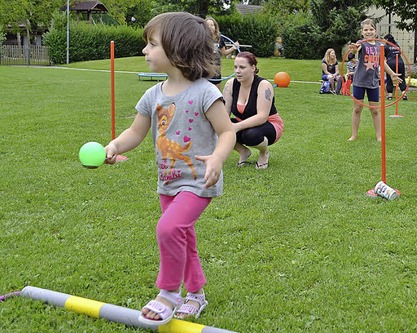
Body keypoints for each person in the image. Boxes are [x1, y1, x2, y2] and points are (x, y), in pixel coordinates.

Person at [103, 12, 236, 325]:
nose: (145, 51)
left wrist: (217, 158)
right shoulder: (153, 95)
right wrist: (114, 146)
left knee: (169, 228)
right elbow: (135, 132)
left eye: (152, 44)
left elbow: (227, 131)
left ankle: (168, 293)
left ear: (177, 50)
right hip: (169, 181)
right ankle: (196, 295)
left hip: (199, 179)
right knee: (183, 237)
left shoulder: (205, 92)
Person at [223, 51, 284, 169]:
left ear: (253, 68)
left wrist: (236, 127)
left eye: (242, 67)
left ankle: (264, 153)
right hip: (243, 124)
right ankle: (243, 151)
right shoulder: (230, 84)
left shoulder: (264, 85)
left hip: (269, 124)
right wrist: (222, 126)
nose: (237, 71)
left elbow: (262, 117)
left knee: (250, 135)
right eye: (235, 67)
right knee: (217, 126)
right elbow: (224, 114)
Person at [348, 18, 401, 141]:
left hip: (373, 82)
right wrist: (355, 49)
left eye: (371, 29)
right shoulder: (362, 43)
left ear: (375, 31)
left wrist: (392, 74)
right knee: (357, 108)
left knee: (375, 110)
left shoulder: (379, 45)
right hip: (359, 81)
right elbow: (357, 49)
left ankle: (379, 135)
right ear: (362, 32)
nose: (368, 32)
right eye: (365, 30)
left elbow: (382, 62)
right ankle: (354, 135)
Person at [205, 17, 239, 88]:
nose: (210, 27)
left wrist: (233, 47)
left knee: (217, 92)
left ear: (215, 27)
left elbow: (224, 53)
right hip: (205, 67)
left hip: (216, 67)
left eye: (212, 25)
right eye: (208, 25)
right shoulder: (201, 38)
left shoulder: (219, 39)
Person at [383, 34, 408, 100]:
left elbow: (383, 56)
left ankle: (390, 95)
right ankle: (404, 94)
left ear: (387, 39)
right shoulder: (397, 46)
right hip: (400, 62)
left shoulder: (386, 46)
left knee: (389, 78)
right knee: (401, 78)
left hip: (390, 62)